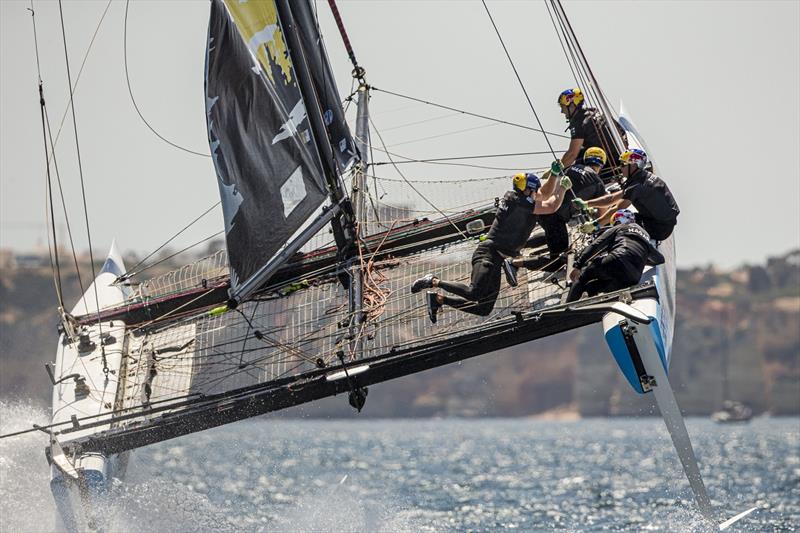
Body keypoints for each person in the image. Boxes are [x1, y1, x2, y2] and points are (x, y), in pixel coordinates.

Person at [411, 164, 573, 323]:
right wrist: (563, 188)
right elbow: (551, 205)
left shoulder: (520, 198)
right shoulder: (517, 201)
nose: (537, 193)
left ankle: (439, 300)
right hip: (487, 254)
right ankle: (433, 281)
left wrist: (554, 175)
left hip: (497, 259)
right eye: (535, 190)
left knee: (483, 308)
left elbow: (543, 195)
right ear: (528, 190)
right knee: (474, 292)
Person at [504, 146, 608, 285]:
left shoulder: (571, 168)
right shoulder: (598, 183)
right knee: (559, 261)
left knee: (551, 235)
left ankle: (514, 246)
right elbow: (602, 217)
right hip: (555, 217)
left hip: (545, 210)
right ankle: (514, 263)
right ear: (601, 164)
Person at [566, 209, 665, 303]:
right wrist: (641, 258)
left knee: (582, 278)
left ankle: (566, 309)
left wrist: (578, 266)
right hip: (633, 277)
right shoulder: (645, 236)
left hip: (617, 259)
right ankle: (585, 305)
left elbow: (595, 245)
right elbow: (660, 259)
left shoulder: (620, 227)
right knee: (594, 286)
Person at [581, 148, 680, 241]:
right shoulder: (641, 177)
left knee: (620, 217)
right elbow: (611, 199)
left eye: (623, 164)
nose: (620, 167)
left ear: (633, 165)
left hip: (658, 229)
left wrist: (595, 225)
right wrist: (586, 204)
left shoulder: (637, 185)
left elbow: (616, 209)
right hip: (657, 221)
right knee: (620, 219)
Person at [558, 88, 628, 180]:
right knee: (581, 153)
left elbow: (572, 153)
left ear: (572, 106)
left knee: (574, 167)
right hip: (620, 158)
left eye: (563, 107)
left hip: (606, 163)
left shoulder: (579, 122)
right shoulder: (595, 113)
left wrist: (556, 172)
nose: (562, 111)